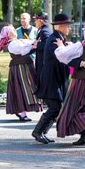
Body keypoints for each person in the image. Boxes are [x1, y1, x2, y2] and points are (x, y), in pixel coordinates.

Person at [53, 20, 85, 145]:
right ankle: (84, 135)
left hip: (82, 79)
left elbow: (61, 55)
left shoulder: (82, 45)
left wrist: (61, 46)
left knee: (73, 108)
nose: (83, 30)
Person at [32, 13, 74, 144]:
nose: (69, 28)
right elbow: (60, 56)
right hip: (51, 79)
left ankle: (42, 132)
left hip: (56, 78)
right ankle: (38, 131)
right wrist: (66, 48)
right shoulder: (54, 39)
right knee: (55, 107)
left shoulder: (58, 37)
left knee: (56, 107)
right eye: (67, 26)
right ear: (60, 26)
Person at [0, 25, 42, 121]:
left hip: (27, 66)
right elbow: (24, 50)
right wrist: (33, 45)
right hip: (19, 68)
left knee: (29, 88)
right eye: (11, 30)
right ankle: (21, 112)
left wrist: (35, 43)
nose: (14, 31)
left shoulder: (20, 40)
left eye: (13, 29)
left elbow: (30, 44)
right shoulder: (12, 44)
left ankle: (24, 111)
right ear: (8, 34)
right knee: (21, 89)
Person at [32, 13, 51, 84]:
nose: (35, 22)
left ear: (40, 21)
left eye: (36, 20)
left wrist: (37, 44)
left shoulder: (45, 31)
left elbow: (48, 45)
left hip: (43, 63)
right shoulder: (42, 30)